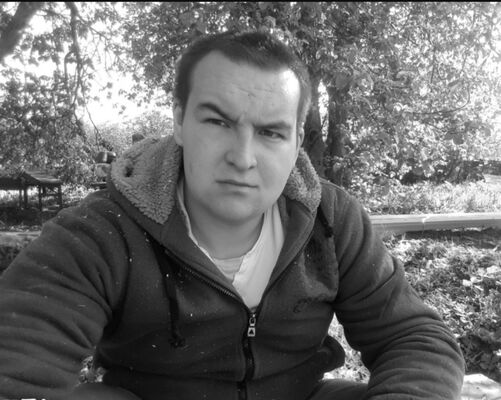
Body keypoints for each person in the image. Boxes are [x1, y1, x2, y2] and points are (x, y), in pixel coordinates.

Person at [0, 30, 464, 400]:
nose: (242, 158)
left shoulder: (330, 219)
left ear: (297, 142)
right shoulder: (99, 233)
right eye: (218, 122)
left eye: (271, 133)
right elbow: (14, 365)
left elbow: (414, 337)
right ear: (179, 121)